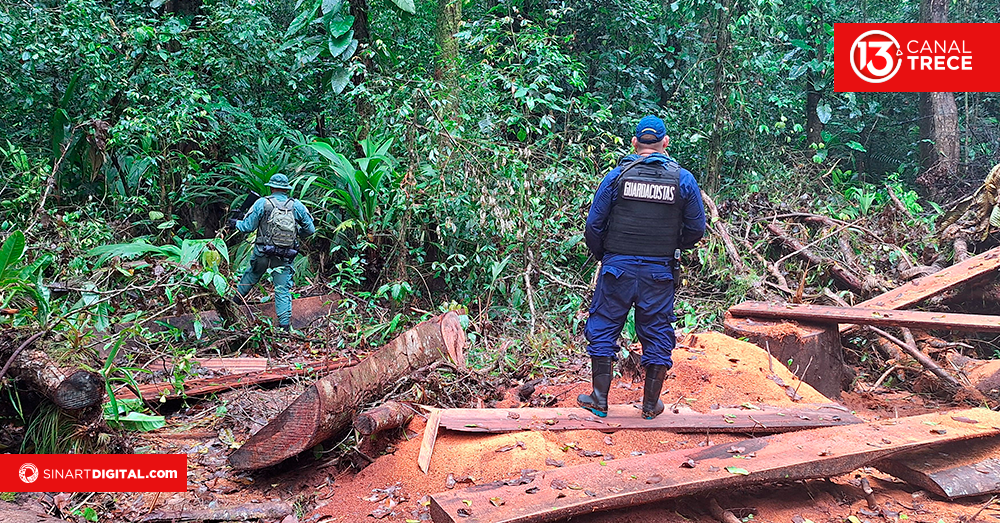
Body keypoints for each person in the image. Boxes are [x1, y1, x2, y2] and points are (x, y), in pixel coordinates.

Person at [578, 115, 706, 419]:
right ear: (665, 143)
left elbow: (593, 226)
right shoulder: (682, 179)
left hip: (617, 268)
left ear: (635, 144)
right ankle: (650, 405)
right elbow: (697, 229)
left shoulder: (617, 177)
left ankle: (599, 398)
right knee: (658, 330)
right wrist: (670, 248)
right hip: (658, 271)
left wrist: (605, 255)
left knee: (605, 326)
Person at [230, 173, 316, 332]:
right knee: (282, 289)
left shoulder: (262, 203)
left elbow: (247, 227)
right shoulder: (296, 205)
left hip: (263, 252)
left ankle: (232, 306)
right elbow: (310, 230)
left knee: (252, 275)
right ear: (286, 189)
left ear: (271, 187)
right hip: (284, 255)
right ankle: (284, 328)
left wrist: (236, 223)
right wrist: (296, 235)